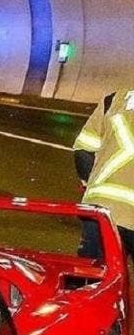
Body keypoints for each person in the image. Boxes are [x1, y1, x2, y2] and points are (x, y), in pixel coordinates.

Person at [74, 88, 134, 261]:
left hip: (101, 210)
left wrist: (91, 186)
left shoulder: (114, 100)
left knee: (93, 280)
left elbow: (83, 150)